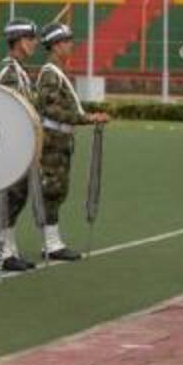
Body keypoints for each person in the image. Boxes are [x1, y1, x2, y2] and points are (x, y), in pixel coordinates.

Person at [35, 23, 110, 261]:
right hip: (52, 140)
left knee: (58, 191)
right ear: (56, 45)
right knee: (52, 191)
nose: (71, 45)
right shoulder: (50, 73)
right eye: (66, 41)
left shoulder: (57, 71)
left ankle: (53, 241)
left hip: (62, 139)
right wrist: (86, 118)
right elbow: (51, 109)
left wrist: (87, 117)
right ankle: (50, 243)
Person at [0, 18, 40, 272]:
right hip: (9, 145)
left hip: (21, 144)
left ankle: (10, 248)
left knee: (18, 197)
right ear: (20, 41)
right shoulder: (7, 71)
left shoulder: (19, 69)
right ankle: (2, 250)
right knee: (9, 197)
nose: (34, 44)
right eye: (31, 39)